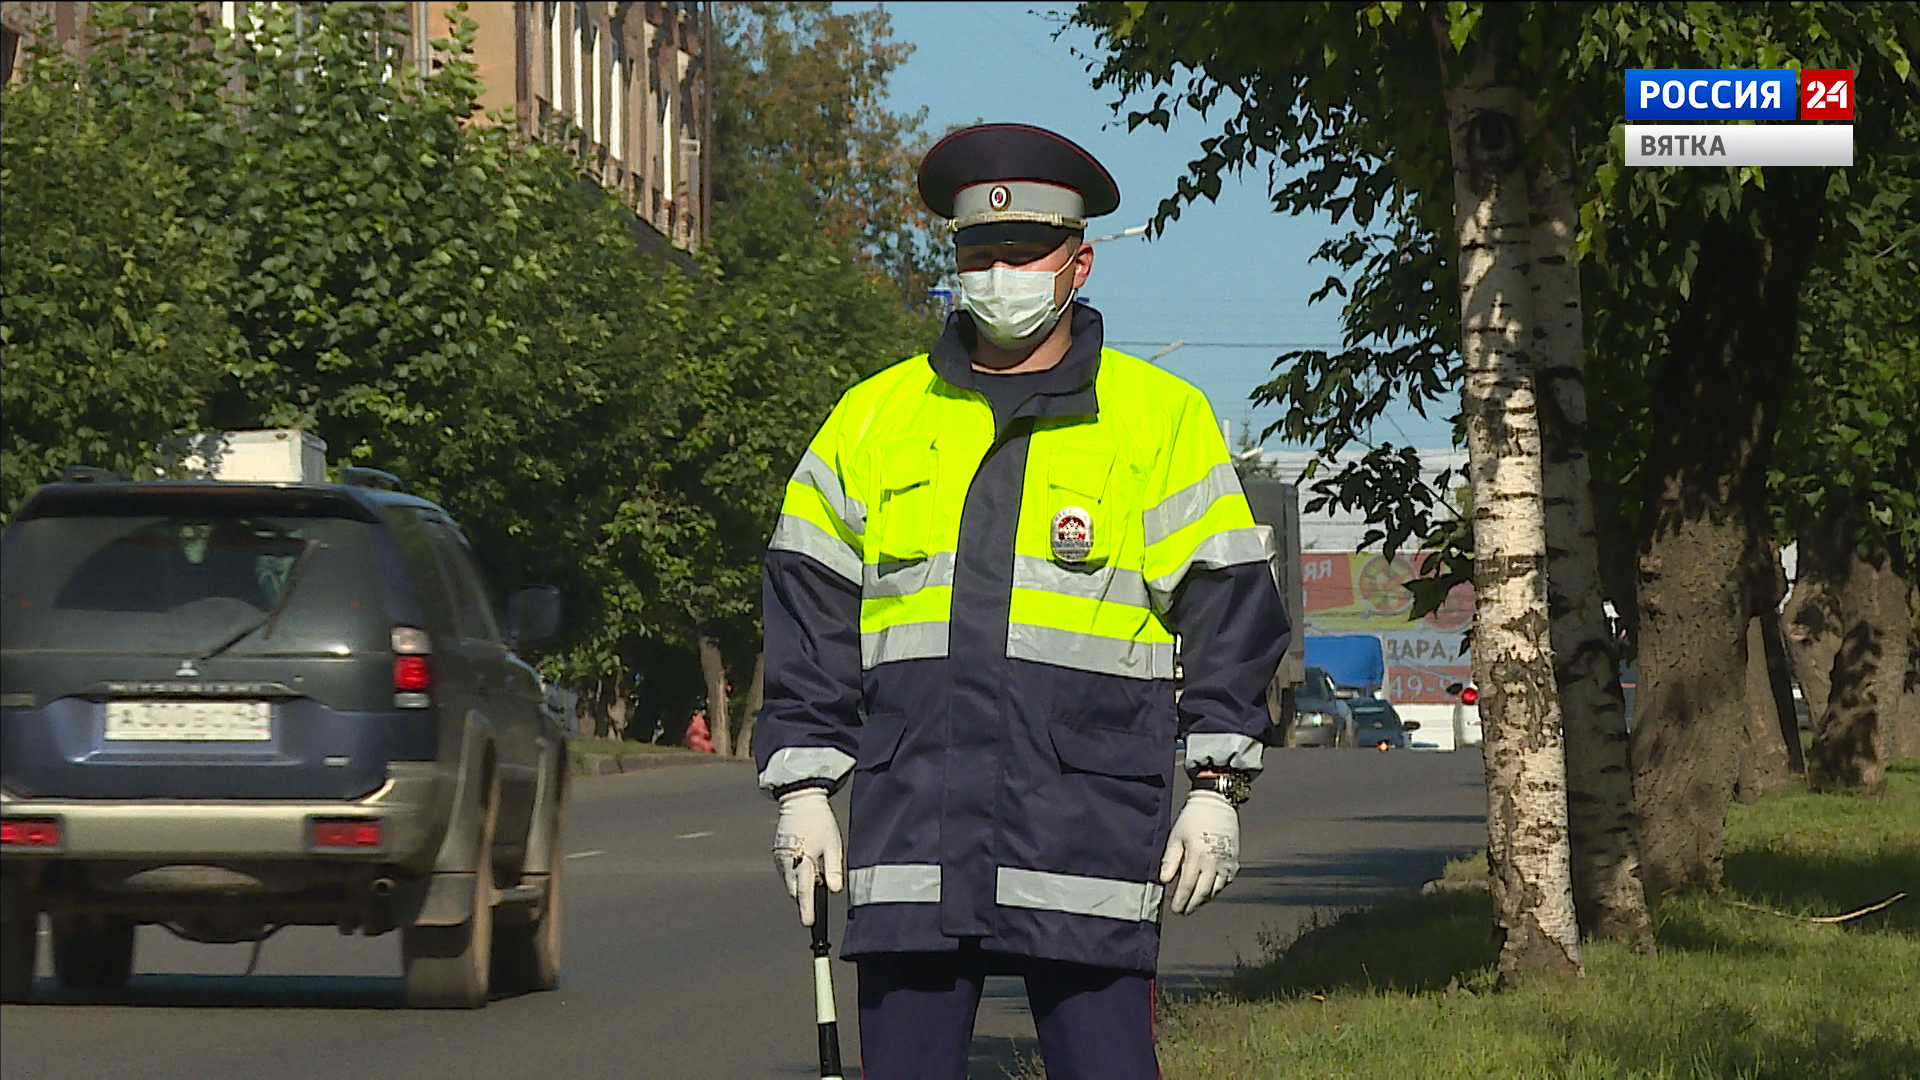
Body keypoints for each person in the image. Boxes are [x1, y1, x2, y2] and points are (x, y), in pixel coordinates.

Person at [753, 122, 1291, 1079]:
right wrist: (803, 785)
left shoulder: (1158, 419)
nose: (997, 272)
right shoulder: (873, 417)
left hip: (1082, 837)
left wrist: (1217, 785)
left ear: (1077, 264)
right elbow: (808, 607)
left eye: (1022, 253)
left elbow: (1231, 609)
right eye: (977, 252)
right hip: (912, 836)